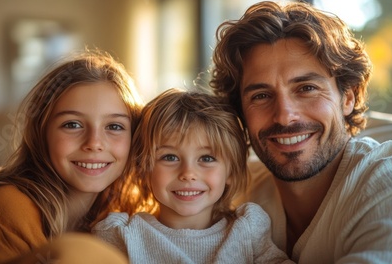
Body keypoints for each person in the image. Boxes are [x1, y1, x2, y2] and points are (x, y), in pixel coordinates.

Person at [210, 0, 392, 263]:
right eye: (261, 95)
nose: (285, 116)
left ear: (348, 97)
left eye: (306, 88)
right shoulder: (232, 190)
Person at [0, 50, 148, 264]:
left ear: (135, 138)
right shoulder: (8, 205)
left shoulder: (125, 215)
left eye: (114, 126)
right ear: (41, 133)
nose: (94, 143)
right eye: (72, 124)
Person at [92, 88, 293, 264]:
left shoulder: (247, 230)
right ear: (143, 168)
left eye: (206, 158)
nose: (188, 174)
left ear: (230, 171)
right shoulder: (121, 236)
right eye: (169, 157)